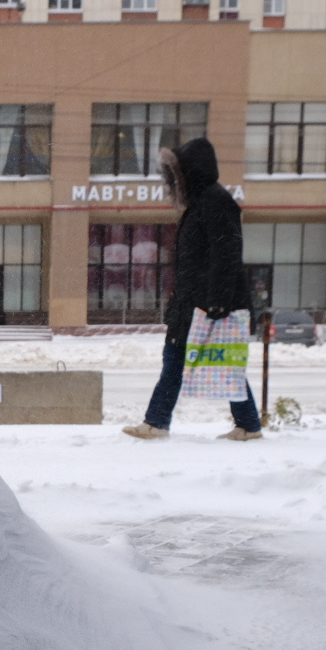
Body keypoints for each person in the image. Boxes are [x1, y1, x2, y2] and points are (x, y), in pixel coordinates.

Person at [123, 138, 263, 441]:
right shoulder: (202, 203)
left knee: (200, 360)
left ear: (190, 172)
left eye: (177, 175)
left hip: (206, 305)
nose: (174, 182)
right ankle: (247, 425)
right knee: (215, 360)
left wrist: (217, 304)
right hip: (194, 303)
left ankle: (157, 422)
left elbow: (226, 255)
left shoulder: (216, 201)